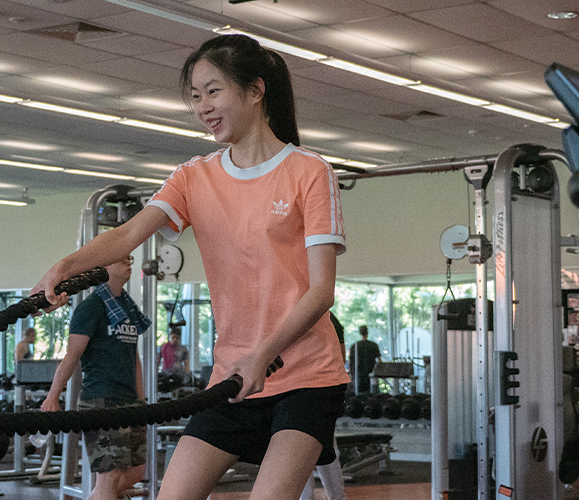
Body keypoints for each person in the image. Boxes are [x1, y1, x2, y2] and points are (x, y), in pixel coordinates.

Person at [33, 34, 347, 500]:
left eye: (213, 91)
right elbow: (125, 235)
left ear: (256, 90)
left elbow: (321, 291)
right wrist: (65, 264)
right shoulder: (194, 175)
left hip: (306, 378)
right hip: (232, 379)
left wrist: (262, 355)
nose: (203, 107)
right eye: (195, 96)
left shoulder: (308, 172)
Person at [41, 255, 150, 500]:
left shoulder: (128, 306)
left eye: (129, 258)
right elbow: (72, 355)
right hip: (102, 401)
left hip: (129, 401)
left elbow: (134, 357)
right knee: (109, 479)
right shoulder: (91, 307)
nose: (128, 262)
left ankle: (101, 495)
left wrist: (140, 398)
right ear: (103, 267)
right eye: (121, 259)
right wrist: (53, 396)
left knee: (137, 471)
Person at [300, 312, 348, 500]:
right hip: (322, 388)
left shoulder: (310, 315)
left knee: (304, 450)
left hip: (311, 389)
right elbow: (342, 358)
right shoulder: (332, 320)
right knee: (324, 448)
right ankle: (336, 497)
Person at [348, 325, 380, 394]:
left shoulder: (354, 346)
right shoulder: (373, 345)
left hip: (358, 375)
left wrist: (351, 374)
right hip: (371, 375)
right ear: (367, 332)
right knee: (372, 394)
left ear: (359, 333)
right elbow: (379, 361)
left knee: (359, 394)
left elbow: (351, 362)